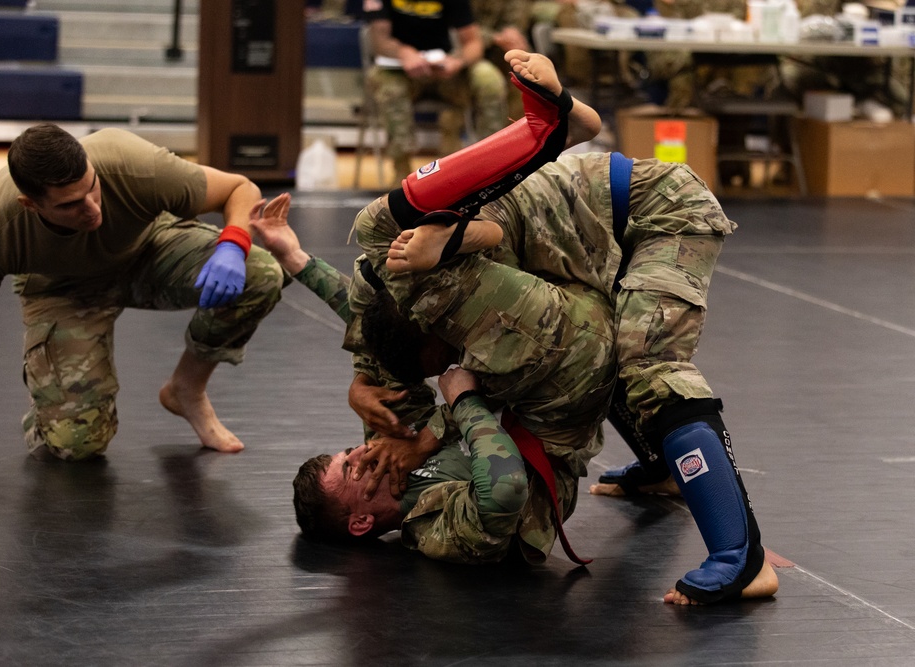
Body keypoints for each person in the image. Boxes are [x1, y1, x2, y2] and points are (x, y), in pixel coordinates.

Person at [261, 50, 777, 604]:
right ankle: (727, 540)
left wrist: (299, 266)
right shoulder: (430, 526)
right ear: (361, 520)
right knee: (627, 359)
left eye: (347, 455)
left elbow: (372, 315)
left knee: (386, 252)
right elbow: (501, 486)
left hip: (651, 211)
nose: (360, 458)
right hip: (597, 249)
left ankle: (736, 555)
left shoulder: (389, 437)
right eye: (352, 474)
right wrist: (458, 405)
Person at [0, 124, 286, 466]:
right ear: (31, 204)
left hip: (147, 251)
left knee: (262, 274)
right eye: (69, 205)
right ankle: (50, 405)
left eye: (92, 188)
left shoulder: (129, 162)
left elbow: (240, 188)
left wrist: (234, 245)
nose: (92, 209)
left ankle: (186, 388)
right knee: (78, 444)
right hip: (62, 289)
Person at [363, 0, 511, 184]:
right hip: (399, 71)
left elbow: (473, 42)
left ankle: (491, 166)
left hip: (444, 72)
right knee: (390, 88)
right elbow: (379, 40)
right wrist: (404, 53)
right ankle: (401, 173)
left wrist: (458, 61)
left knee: (489, 79)